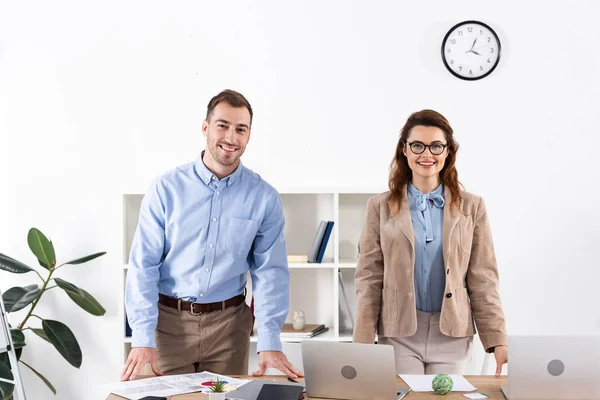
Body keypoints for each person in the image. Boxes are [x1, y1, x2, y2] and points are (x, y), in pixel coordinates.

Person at [121, 89, 303, 381]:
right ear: (205, 127)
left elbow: (271, 273)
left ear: (249, 135)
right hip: (168, 325)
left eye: (240, 129)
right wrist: (142, 337)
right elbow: (143, 266)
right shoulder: (165, 189)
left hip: (229, 328)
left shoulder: (264, 197)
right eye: (223, 125)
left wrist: (270, 341)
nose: (231, 137)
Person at [353, 109, 508, 376]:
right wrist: (363, 340)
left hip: (452, 334)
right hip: (398, 333)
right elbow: (369, 276)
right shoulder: (379, 206)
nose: (427, 154)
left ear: (448, 151)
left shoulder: (472, 206)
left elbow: (483, 278)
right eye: (417, 145)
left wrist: (497, 339)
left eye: (436, 146)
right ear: (405, 150)